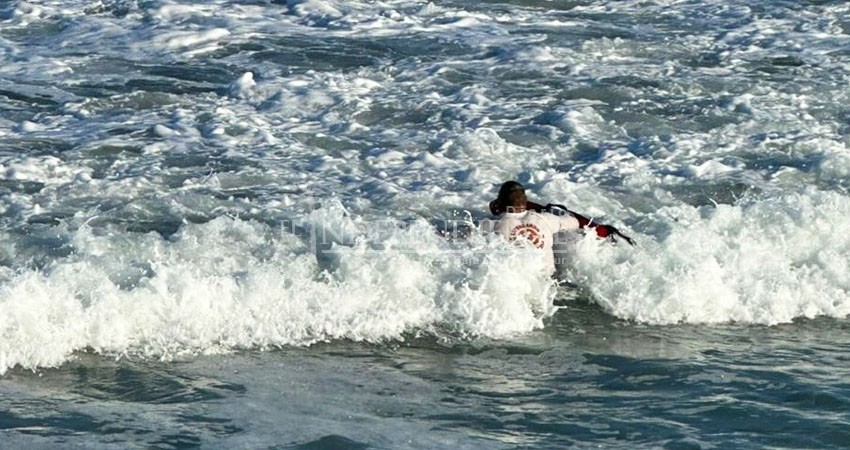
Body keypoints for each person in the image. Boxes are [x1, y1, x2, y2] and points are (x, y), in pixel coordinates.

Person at [482, 180, 634, 275]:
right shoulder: (547, 219)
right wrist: (604, 230)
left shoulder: (492, 226)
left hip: (517, 283)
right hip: (548, 282)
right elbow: (577, 222)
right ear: (526, 200)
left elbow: (465, 236)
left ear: (501, 203)